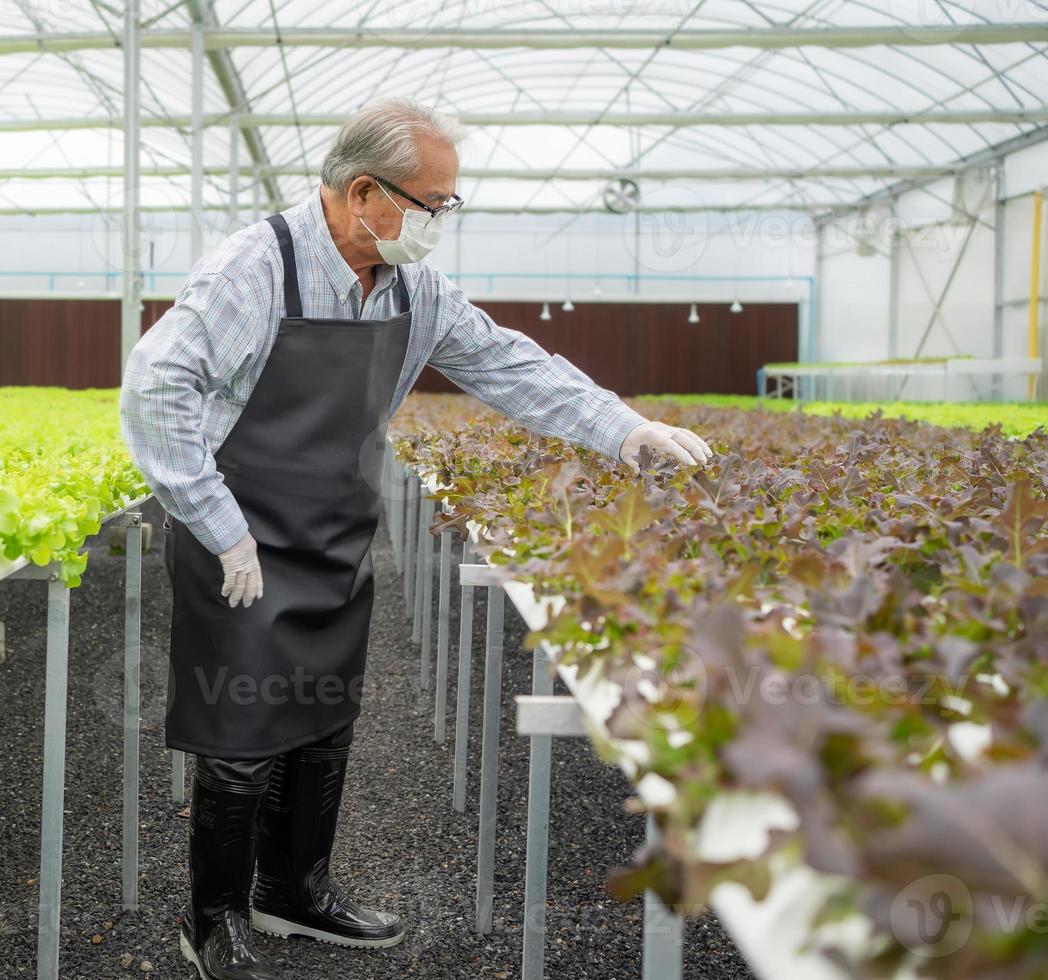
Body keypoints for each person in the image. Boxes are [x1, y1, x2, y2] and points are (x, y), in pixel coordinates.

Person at [119, 96, 713, 980]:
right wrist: (217, 525)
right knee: (240, 727)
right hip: (238, 534)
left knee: (321, 718)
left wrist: (623, 429)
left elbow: (509, 364)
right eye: (433, 204)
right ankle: (212, 920)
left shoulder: (413, 288)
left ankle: (295, 891)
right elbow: (154, 388)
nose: (442, 221)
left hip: (333, 529)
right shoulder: (257, 267)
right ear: (363, 193)